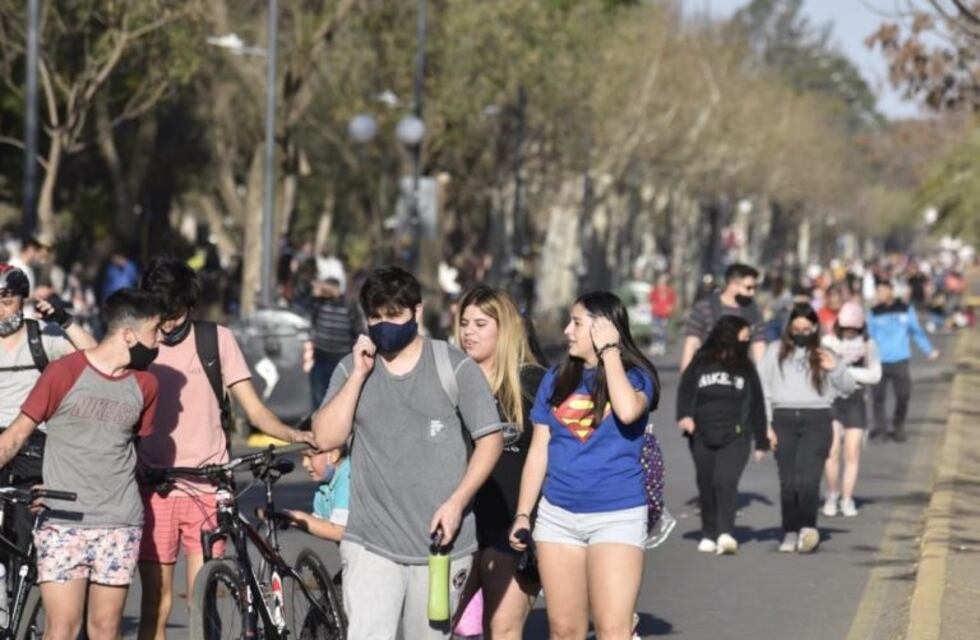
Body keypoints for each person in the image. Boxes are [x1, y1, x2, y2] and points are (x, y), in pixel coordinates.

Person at [312, 266, 504, 639]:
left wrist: (456, 504)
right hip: (369, 542)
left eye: (394, 315)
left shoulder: (454, 366)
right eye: (375, 317)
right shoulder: (352, 368)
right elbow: (325, 437)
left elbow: (490, 441)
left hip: (440, 546)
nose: (384, 325)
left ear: (417, 311)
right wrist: (358, 376)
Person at [136, 257, 315, 640]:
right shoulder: (139, 343)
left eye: (174, 315)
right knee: (154, 603)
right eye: (160, 314)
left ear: (190, 305)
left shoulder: (215, 340)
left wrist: (294, 434)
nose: (167, 325)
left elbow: (255, 410)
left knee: (202, 600)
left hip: (208, 486)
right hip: (155, 487)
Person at [0, 288, 161, 640]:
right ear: (129, 334)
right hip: (63, 521)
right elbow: (14, 437)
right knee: (61, 629)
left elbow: (135, 449)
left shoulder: (146, 384)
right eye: (154, 332)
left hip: (119, 522)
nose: (159, 340)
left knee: (106, 629)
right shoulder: (63, 372)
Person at [510, 291, 659, 640]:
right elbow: (539, 451)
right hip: (558, 518)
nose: (567, 330)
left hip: (616, 516)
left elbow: (627, 411)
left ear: (604, 327)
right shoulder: (555, 379)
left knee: (612, 629)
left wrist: (610, 352)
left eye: (576, 323)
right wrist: (523, 513)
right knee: (565, 630)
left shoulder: (637, 377)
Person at [454, 285, 545, 639]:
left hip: (513, 527)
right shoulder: (449, 380)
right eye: (464, 323)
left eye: (480, 324)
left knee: (502, 630)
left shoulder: (533, 382)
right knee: (433, 627)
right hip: (458, 527)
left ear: (504, 329)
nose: (469, 332)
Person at [759, 304, 858, 554]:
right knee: (789, 482)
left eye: (806, 329)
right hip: (783, 419)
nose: (801, 333)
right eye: (796, 329)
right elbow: (762, 389)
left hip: (817, 420)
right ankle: (790, 530)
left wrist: (834, 369)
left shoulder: (825, 352)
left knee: (809, 481)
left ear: (815, 328)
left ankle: (807, 529)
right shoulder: (775, 351)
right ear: (789, 329)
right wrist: (766, 426)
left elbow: (848, 388)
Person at [676, 316, 769, 555]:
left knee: (725, 481)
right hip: (701, 434)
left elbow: (757, 403)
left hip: (736, 436)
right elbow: (685, 389)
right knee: (706, 483)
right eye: (744, 337)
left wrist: (761, 441)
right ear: (729, 336)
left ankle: (725, 533)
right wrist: (684, 415)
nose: (747, 342)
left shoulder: (746, 367)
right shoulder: (701, 361)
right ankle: (709, 532)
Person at [821, 302, 882, 518]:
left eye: (854, 328)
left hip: (856, 401)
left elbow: (875, 375)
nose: (849, 332)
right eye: (846, 327)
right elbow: (821, 370)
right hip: (833, 400)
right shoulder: (828, 342)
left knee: (852, 452)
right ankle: (832, 495)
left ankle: (847, 499)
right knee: (832, 451)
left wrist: (847, 373)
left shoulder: (868, 344)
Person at [867, 278, 938, 443]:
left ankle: (898, 426)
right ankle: (881, 429)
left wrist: (928, 350)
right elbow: (868, 337)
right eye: (877, 291)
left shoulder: (906, 310)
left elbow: (916, 332)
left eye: (883, 290)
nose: (880, 294)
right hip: (878, 362)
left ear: (891, 291)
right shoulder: (873, 313)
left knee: (903, 396)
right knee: (878, 398)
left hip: (900, 360)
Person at [681, 263, 766, 371]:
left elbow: (759, 344)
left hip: (740, 372)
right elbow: (691, 343)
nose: (752, 292)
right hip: (707, 371)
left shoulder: (754, 311)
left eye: (755, 288)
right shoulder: (704, 308)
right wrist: (686, 374)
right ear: (733, 284)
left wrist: (762, 375)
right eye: (748, 288)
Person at [307, 276, 362, 409]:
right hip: (320, 358)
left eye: (328, 289)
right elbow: (306, 302)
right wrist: (316, 292)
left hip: (341, 360)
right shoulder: (319, 303)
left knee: (339, 399)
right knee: (319, 400)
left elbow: (359, 331)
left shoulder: (349, 306)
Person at [279, 446, 351, 542]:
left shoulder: (348, 476)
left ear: (333, 454)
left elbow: (339, 532)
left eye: (309, 456)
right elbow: (320, 524)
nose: (304, 463)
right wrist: (291, 519)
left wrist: (298, 516)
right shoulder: (324, 485)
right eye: (303, 457)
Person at [648, 273, 677, 356]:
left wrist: (670, 309)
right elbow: (651, 299)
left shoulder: (670, 290)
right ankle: (655, 345)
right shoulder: (655, 289)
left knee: (663, 330)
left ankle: (661, 345)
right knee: (655, 330)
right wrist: (652, 306)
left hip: (664, 313)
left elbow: (672, 301)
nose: (662, 281)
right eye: (661, 279)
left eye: (664, 280)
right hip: (656, 312)